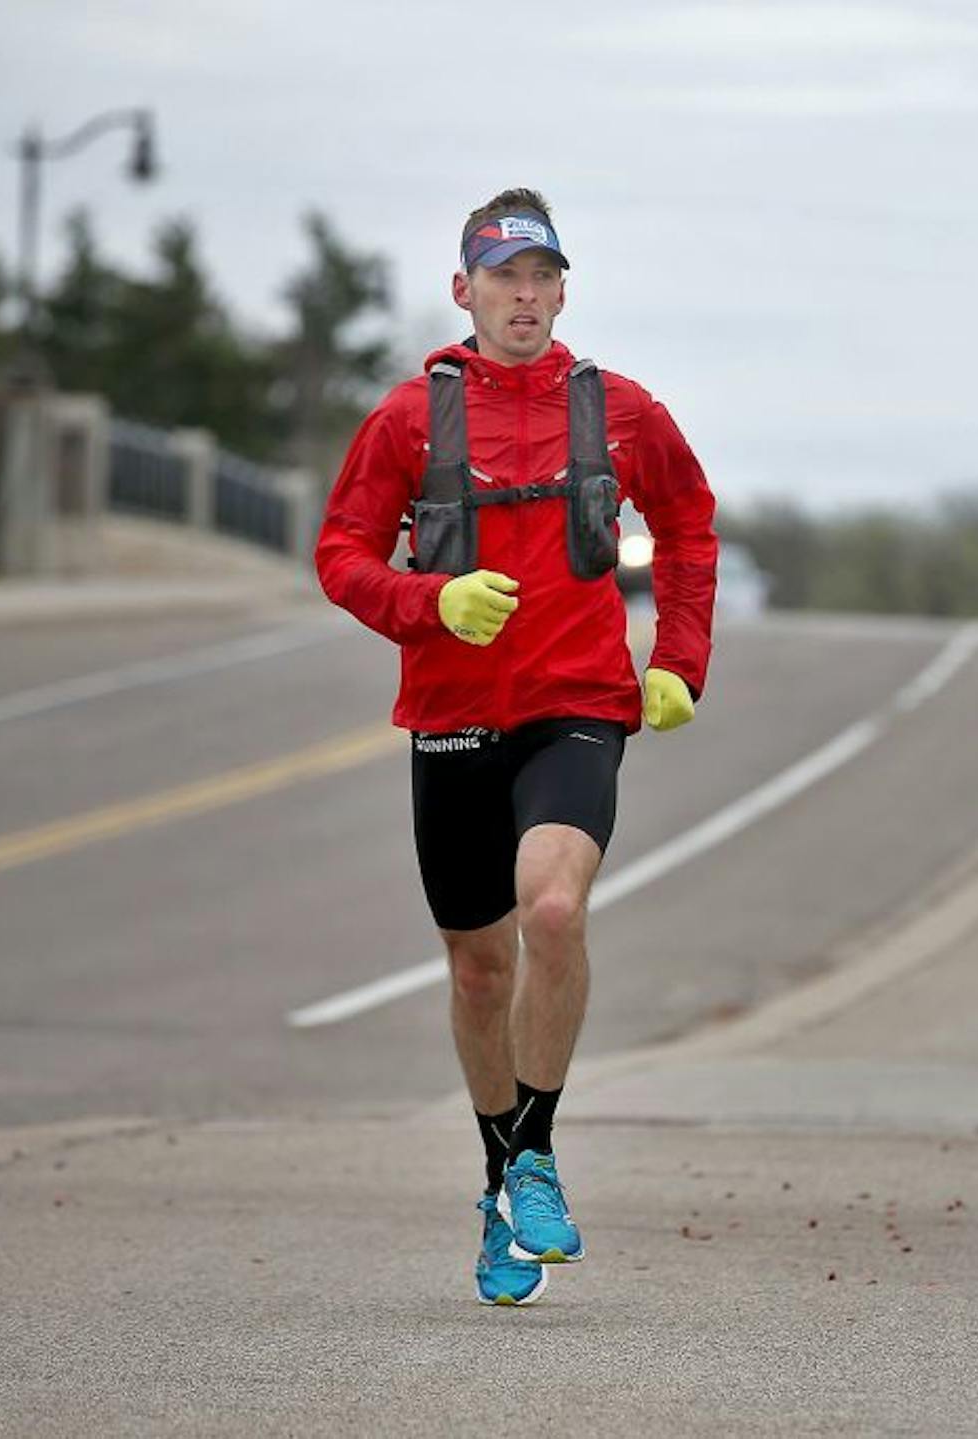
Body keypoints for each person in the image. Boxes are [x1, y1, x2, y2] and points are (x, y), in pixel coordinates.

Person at [314, 188, 718, 1307]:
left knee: (552, 906)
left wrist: (679, 658)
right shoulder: (409, 418)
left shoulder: (622, 410)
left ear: (564, 291)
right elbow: (341, 554)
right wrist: (428, 602)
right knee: (478, 966)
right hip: (451, 716)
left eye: (543, 276)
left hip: (577, 703)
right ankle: (500, 1184)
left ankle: (533, 1155)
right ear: (465, 290)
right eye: (504, 277)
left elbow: (689, 523)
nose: (525, 296)